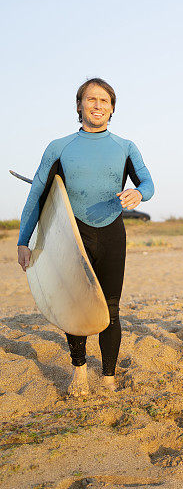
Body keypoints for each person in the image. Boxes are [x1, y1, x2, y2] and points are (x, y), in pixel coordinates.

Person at [16, 78, 154, 396]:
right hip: (71, 233)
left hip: (111, 233)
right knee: (74, 304)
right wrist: (24, 241)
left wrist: (139, 194)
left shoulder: (125, 146)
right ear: (79, 106)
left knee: (111, 307)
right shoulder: (59, 147)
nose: (97, 105)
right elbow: (38, 195)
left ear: (112, 108)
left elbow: (147, 183)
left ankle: (107, 376)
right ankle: (79, 370)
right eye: (90, 99)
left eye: (104, 101)